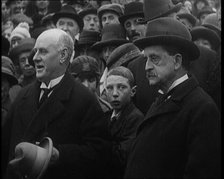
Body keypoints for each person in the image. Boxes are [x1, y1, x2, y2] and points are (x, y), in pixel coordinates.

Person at [2, 28, 111, 179]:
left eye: (43, 52)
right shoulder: (22, 95)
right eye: (36, 52)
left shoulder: (84, 99)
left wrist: (59, 154)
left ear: (63, 55)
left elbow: (100, 152)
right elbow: (5, 146)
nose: (35, 58)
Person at [124, 17, 220, 178]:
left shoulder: (201, 108)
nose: (147, 67)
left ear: (176, 61)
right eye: (146, 59)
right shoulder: (163, 99)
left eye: (154, 58)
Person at [105, 66, 144, 177]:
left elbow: (122, 157)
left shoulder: (136, 119)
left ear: (133, 91)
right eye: (110, 88)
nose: (115, 93)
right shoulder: (106, 116)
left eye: (121, 87)